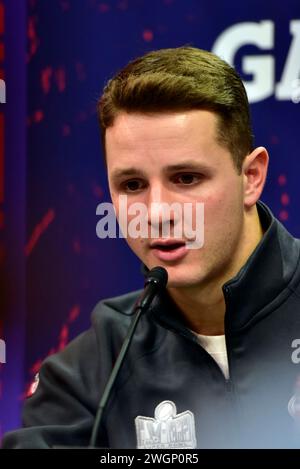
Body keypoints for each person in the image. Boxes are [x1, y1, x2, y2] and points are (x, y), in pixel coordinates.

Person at [3, 46, 300, 449]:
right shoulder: (92, 371)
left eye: (186, 178)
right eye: (132, 185)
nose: (156, 212)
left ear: (251, 177)